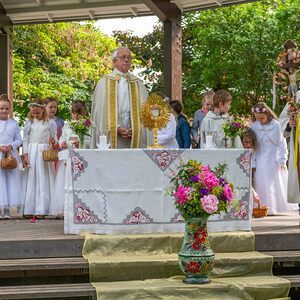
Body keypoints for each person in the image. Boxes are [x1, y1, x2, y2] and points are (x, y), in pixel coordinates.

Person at [91, 46, 152, 149]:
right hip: (111, 137)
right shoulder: (104, 83)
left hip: (134, 136)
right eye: (123, 57)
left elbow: (146, 112)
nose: (127, 60)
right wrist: (116, 128)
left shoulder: (138, 83)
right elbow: (100, 113)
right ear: (114, 61)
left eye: (129, 57)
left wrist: (136, 128)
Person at [251, 102, 297, 215]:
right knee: (261, 181)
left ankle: (275, 207)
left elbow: (281, 143)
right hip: (260, 158)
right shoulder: (254, 127)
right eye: (257, 118)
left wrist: (282, 160)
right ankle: (263, 207)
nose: (260, 120)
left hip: (273, 158)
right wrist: (253, 163)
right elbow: (253, 147)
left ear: (267, 113)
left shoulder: (275, 124)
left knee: (274, 182)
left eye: (261, 118)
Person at [50, 101, 89, 217]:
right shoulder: (67, 126)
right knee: (65, 182)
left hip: (81, 156)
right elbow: (62, 138)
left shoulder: (88, 125)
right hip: (68, 156)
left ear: (84, 113)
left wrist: (81, 142)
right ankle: (64, 207)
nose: (75, 116)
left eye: (78, 114)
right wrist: (62, 143)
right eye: (73, 113)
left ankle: (81, 206)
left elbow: (89, 140)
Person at [22, 98, 57, 219]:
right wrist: (25, 154)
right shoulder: (29, 123)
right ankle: (30, 208)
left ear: (43, 110)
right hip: (32, 151)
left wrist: (53, 141)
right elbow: (25, 139)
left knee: (43, 178)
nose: (35, 115)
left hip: (44, 152)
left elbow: (54, 137)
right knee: (32, 178)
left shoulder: (50, 122)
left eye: (38, 112)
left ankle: (43, 208)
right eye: (33, 113)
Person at [0, 94, 22, 219]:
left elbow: (19, 140)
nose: (4, 111)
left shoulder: (14, 124)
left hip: (9, 155)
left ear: (9, 109)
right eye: (1, 108)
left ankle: (7, 210)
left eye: (6, 108)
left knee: (9, 181)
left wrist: (11, 146)